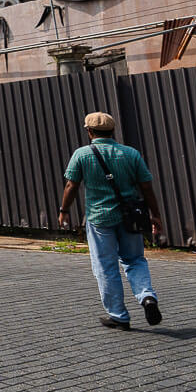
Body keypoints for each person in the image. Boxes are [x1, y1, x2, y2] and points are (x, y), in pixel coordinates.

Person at [59, 111, 165, 330]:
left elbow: (71, 185)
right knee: (135, 260)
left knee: (106, 267)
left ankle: (119, 315)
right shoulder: (131, 154)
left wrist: (64, 210)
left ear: (89, 132)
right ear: (113, 130)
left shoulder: (82, 154)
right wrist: (155, 214)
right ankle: (147, 297)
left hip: (100, 219)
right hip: (131, 218)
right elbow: (146, 186)